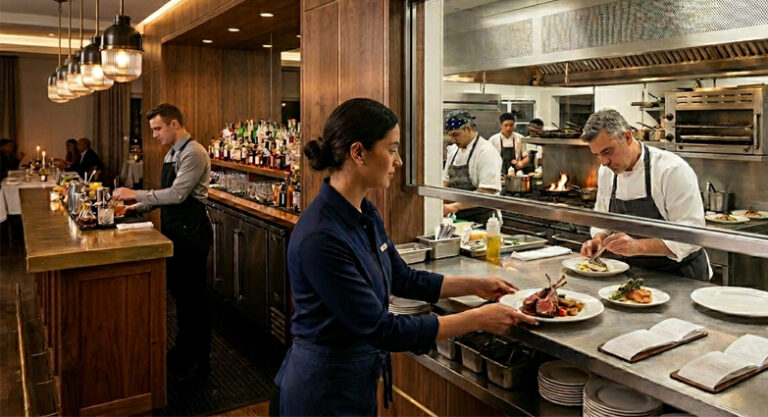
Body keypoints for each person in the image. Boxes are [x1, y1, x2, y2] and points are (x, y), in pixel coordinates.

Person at [274, 98, 537, 416]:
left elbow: (402, 277)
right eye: (393, 149)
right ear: (358, 153)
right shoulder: (321, 236)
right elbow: (382, 329)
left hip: (357, 379)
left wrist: (475, 285)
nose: (398, 161)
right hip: (323, 389)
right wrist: (477, 319)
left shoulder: (364, 210)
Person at [113, 103, 213, 380]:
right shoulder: (172, 153)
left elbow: (178, 195)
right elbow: (163, 195)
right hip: (176, 231)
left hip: (192, 232)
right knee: (182, 297)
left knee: (194, 299)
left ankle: (200, 361)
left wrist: (134, 194)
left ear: (174, 125)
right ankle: (184, 352)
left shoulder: (193, 152)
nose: (154, 134)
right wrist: (135, 208)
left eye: (158, 128)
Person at [579, 109, 710, 281]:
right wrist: (598, 238)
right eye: (597, 155)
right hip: (635, 275)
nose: (603, 162)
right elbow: (602, 216)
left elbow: (691, 236)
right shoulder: (607, 172)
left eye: (607, 152)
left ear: (626, 137)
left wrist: (637, 246)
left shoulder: (672, 170)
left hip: (680, 276)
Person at [441, 110, 503, 224]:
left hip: (483, 220)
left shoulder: (486, 152)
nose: (453, 140)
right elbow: (446, 183)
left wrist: (454, 206)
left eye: (456, 135)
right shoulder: (453, 150)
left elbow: (487, 192)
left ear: (468, 129)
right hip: (459, 219)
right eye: (450, 136)